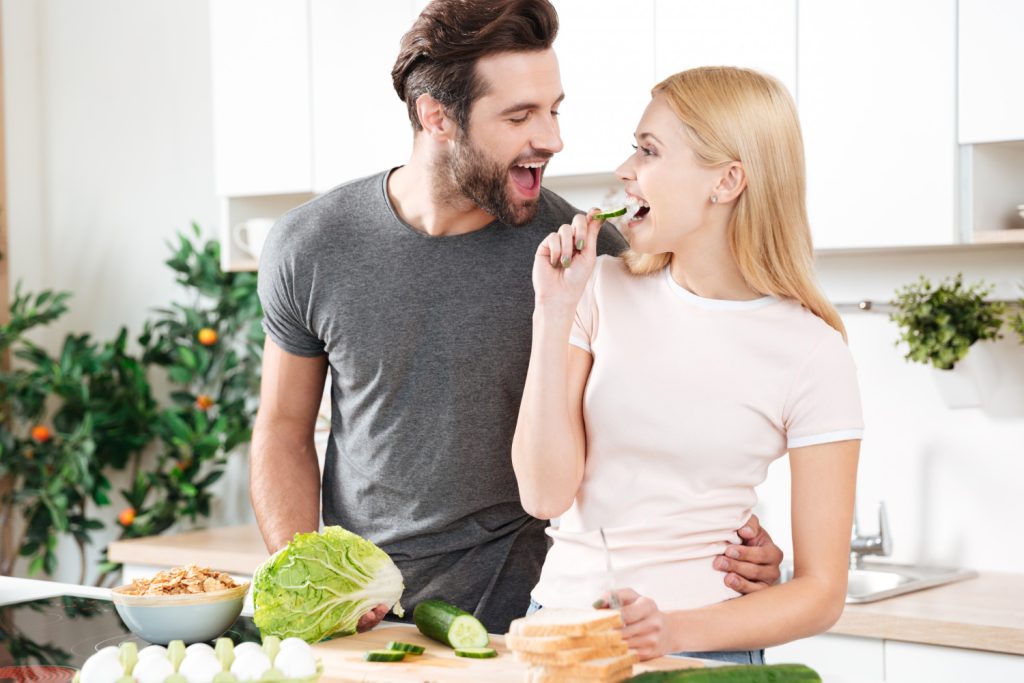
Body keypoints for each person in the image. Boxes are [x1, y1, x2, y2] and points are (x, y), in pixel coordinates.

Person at [250, 0, 783, 636]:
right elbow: (283, 428)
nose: (552, 138)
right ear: (437, 117)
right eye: (520, 115)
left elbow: (664, 437)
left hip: (537, 621)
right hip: (363, 616)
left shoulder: (585, 256)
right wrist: (315, 583)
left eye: (554, 109)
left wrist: (734, 544)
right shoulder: (312, 245)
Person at [512, 66, 862, 663]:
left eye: (649, 151)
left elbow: (822, 593)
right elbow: (544, 494)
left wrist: (669, 633)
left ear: (726, 181)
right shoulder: (599, 290)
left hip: (701, 654)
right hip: (559, 634)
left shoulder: (813, 353)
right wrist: (553, 309)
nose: (625, 171)